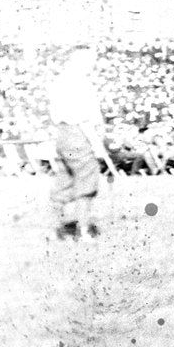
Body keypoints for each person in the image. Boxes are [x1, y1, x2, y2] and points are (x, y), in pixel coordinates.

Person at [45, 45, 109, 239]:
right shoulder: (80, 83)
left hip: (63, 136)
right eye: (90, 60)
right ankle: (83, 231)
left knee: (65, 181)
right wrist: (97, 146)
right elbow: (85, 119)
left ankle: (54, 231)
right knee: (87, 181)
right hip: (79, 135)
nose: (93, 64)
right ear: (78, 60)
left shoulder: (59, 81)